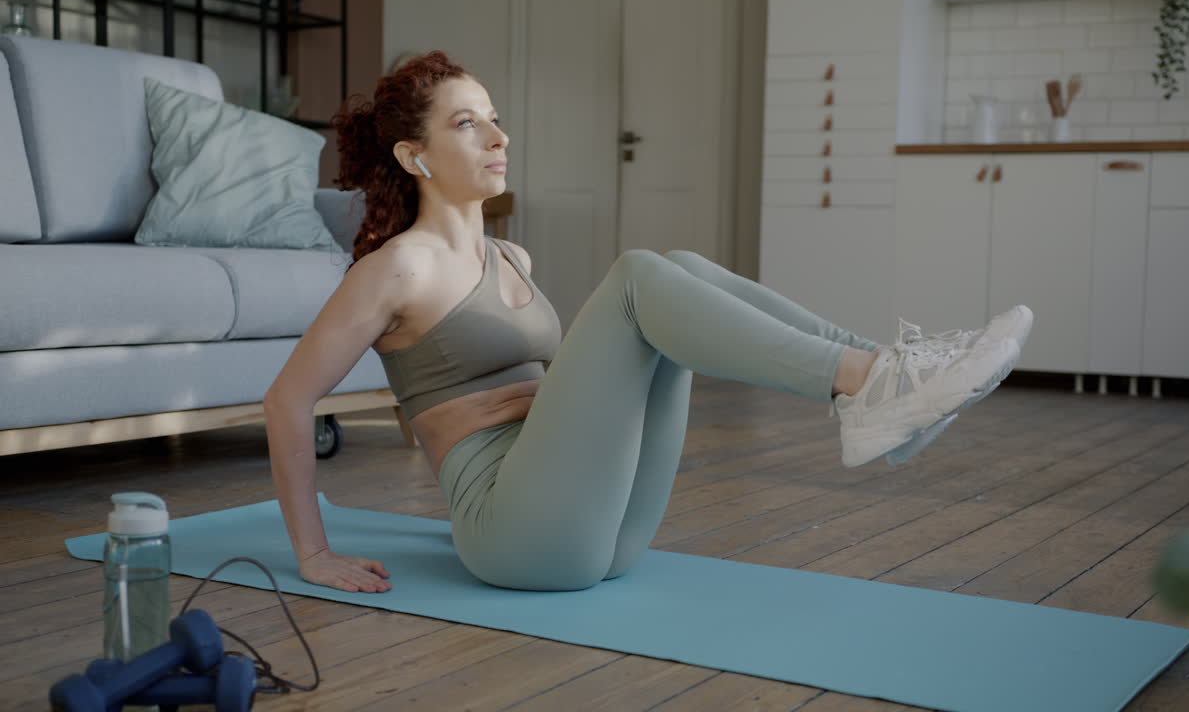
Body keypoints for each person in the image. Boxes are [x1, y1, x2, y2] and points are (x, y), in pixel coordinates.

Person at [263, 51, 1033, 596]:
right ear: (414, 155)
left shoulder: (514, 257)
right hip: (516, 532)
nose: (499, 137)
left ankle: (876, 376)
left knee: (682, 267)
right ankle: (868, 385)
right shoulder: (397, 268)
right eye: (468, 124)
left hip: (604, 529)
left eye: (495, 119)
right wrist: (314, 552)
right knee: (638, 276)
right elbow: (287, 400)